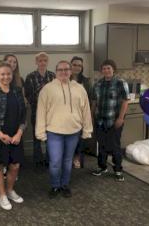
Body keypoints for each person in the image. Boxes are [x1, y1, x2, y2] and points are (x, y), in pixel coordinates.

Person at [36, 60, 93, 198]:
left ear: (70, 71)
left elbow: (86, 110)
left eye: (66, 69)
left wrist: (87, 129)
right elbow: (41, 112)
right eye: (60, 70)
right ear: (56, 72)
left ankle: (64, 184)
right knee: (55, 162)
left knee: (68, 161)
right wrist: (40, 132)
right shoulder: (47, 89)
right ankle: (55, 185)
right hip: (54, 132)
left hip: (73, 131)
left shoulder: (79, 88)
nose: (64, 72)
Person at [0, 61, 26, 210]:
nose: (6, 76)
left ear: (12, 74)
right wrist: (0, 134)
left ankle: (10, 190)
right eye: (2, 74)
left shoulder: (17, 91)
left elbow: (23, 115)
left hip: (16, 136)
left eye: (8, 73)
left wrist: (20, 133)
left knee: (14, 166)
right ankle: (2, 194)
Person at [91, 59, 130, 182]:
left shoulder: (120, 83)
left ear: (113, 69)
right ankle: (102, 167)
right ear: (101, 70)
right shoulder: (97, 84)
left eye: (108, 68)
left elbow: (125, 101)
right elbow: (94, 102)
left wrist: (120, 118)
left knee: (115, 146)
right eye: (104, 68)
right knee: (101, 145)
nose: (106, 70)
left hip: (114, 121)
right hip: (100, 121)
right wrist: (92, 117)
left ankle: (118, 169)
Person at [24, 52, 55, 167]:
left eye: (45, 60)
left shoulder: (53, 76)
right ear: (36, 62)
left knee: (50, 137)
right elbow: (27, 95)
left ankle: (49, 160)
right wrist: (40, 95)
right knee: (37, 136)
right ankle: (37, 161)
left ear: (47, 62)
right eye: (40, 61)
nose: (42, 63)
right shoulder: (30, 76)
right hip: (36, 112)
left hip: (51, 113)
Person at [2, 54, 24, 179]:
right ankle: (4, 168)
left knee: (15, 146)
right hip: (3, 121)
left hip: (17, 119)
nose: (12, 64)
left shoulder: (20, 79)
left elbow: (23, 99)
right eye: (9, 61)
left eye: (14, 62)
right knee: (4, 146)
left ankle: (13, 169)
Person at [70, 56, 92, 169]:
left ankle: (77, 158)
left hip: (81, 115)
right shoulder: (64, 79)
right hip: (67, 116)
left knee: (79, 139)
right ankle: (68, 159)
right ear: (70, 65)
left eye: (79, 65)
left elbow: (90, 99)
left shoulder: (86, 81)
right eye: (74, 65)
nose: (77, 67)